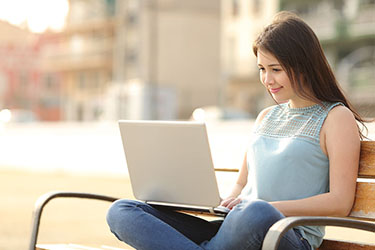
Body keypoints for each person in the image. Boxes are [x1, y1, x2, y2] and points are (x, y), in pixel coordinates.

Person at [106, 11, 367, 250]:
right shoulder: (266, 116)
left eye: (276, 69)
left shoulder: (335, 117)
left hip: (284, 233)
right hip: (232, 227)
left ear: (303, 65)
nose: (267, 80)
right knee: (123, 211)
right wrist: (225, 202)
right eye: (262, 69)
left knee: (257, 214)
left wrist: (266, 208)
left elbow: (340, 201)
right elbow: (242, 184)